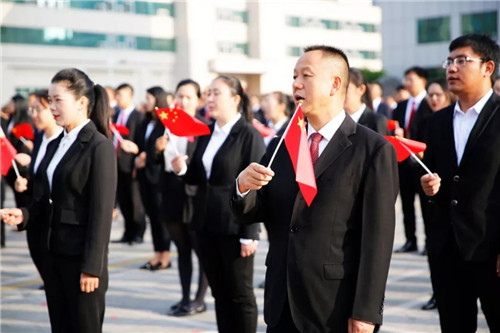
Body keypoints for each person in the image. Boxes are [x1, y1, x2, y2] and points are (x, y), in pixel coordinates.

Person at [232, 45, 398, 333]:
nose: (296, 84)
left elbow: (377, 241)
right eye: (294, 76)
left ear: (335, 84)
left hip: (334, 306)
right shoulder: (281, 143)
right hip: (282, 300)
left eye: (306, 76)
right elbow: (257, 212)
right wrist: (243, 187)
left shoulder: (372, 149)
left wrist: (366, 313)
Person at [1, 67, 117, 333]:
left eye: (58, 100)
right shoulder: (56, 143)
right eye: (50, 100)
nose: (52, 106)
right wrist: (25, 214)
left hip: (81, 262)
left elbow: (101, 214)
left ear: (81, 103)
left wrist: (91, 267)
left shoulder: (99, 147)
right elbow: (47, 198)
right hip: (54, 255)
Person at [171, 75, 265, 333]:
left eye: (216, 93)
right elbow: (199, 177)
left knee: (240, 294)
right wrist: (182, 169)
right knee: (220, 293)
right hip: (205, 223)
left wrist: (250, 233)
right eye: (208, 93)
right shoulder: (206, 131)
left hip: (235, 227)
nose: (209, 99)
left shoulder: (248, 135)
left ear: (235, 99)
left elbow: (257, 188)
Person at [420, 34, 500, 333]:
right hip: (448, 249)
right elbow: (435, 178)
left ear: (488, 67)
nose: (452, 68)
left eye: (462, 60)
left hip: (492, 250)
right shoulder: (437, 122)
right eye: (449, 61)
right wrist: (429, 186)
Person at [155, 79, 208, 316]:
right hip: (171, 194)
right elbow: (158, 162)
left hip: (194, 196)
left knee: (200, 249)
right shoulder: (167, 126)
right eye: (179, 96)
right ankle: (185, 297)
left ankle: (199, 298)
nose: (183, 101)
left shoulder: (204, 128)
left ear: (198, 101)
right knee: (182, 249)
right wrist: (157, 149)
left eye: (188, 97)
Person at [13, 89, 63, 285]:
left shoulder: (64, 140)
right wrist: (23, 181)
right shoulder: (40, 137)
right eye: (31, 110)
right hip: (35, 213)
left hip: (53, 219)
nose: (33, 115)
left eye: (38, 109)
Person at [418, 78, 455, 311]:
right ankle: (437, 292)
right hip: (432, 197)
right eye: (430, 95)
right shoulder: (429, 122)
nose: (433, 99)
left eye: (438, 95)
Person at [392, 66, 432, 253]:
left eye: (411, 79)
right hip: (404, 162)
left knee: (426, 206)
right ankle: (410, 240)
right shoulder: (400, 106)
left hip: (424, 162)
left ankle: (428, 241)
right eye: (406, 79)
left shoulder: (430, 103)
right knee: (407, 204)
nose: (407, 83)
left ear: (422, 81)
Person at [134, 86, 171, 270]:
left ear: (158, 100)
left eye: (149, 98)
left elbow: (164, 151)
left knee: (160, 217)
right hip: (144, 176)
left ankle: (165, 256)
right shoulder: (144, 123)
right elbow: (141, 145)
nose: (147, 101)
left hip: (158, 177)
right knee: (152, 218)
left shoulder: (165, 124)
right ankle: (157, 255)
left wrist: (146, 157)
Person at [112, 83, 146, 244]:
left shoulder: (138, 117)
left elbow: (140, 142)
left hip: (131, 164)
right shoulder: (116, 115)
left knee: (135, 202)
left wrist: (136, 155)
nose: (118, 98)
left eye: (122, 95)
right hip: (117, 164)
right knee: (123, 201)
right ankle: (127, 232)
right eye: (117, 95)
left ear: (130, 96)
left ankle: (138, 232)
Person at [345, 68, 388, 135]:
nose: (340, 92)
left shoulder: (376, 121)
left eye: (346, 87)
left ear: (361, 89)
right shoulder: (335, 120)